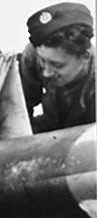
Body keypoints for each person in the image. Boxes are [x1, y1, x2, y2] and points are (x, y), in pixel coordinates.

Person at [20, 2, 95, 132]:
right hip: (52, 128)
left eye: (57, 65)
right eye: (43, 61)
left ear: (85, 56)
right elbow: (19, 108)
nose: (46, 73)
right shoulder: (34, 53)